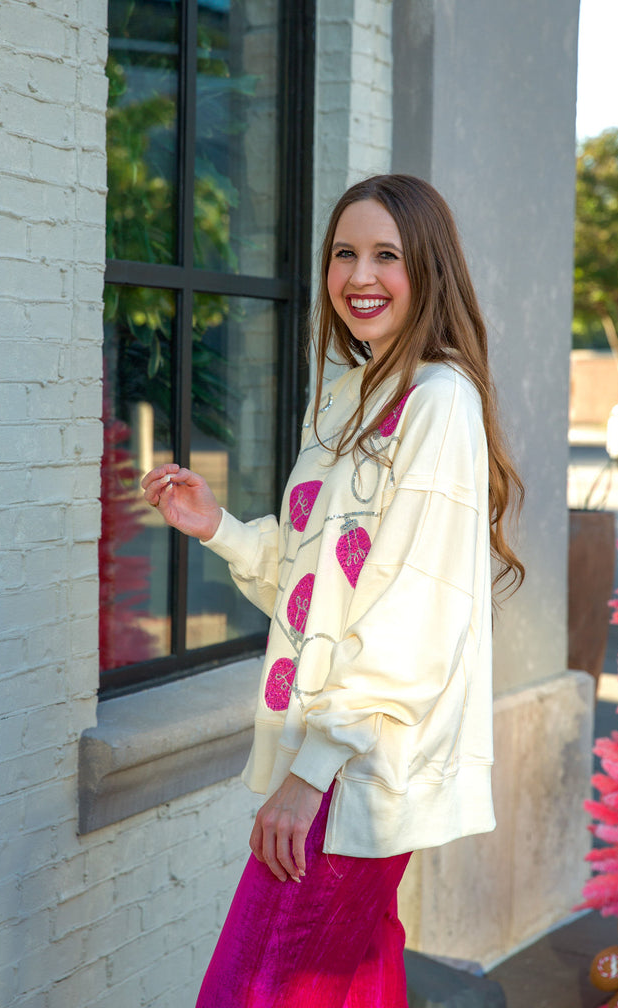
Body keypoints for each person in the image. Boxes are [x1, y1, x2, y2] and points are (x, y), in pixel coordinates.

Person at [141, 174, 524, 1008]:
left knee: (257, 988)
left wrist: (310, 775)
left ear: (428, 270)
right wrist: (223, 530)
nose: (360, 275)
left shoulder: (439, 401)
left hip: (356, 776)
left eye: (387, 254)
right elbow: (322, 586)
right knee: (353, 982)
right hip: (332, 764)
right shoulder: (347, 394)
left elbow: (414, 613)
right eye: (344, 253)